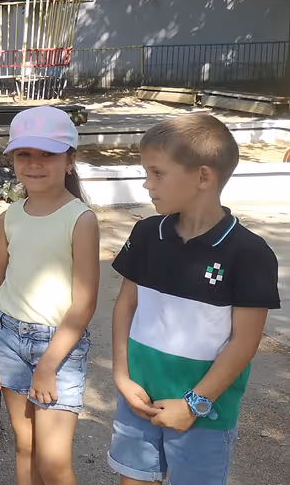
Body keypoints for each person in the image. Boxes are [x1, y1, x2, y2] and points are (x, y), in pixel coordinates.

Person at [107, 114, 280, 485]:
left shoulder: (250, 254)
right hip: (138, 398)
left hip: (204, 412)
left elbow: (244, 343)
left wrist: (194, 405)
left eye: (157, 173)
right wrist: (122, 375)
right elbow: (126, 306)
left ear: (203, 177)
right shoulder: (147, 233)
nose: (146, 184)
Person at [0, 106, 100, 485]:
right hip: (8, 338)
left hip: (57, 349)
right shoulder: (9, 216)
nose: (35, 164)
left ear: (70, 161)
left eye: (48, 154)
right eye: (25, 154)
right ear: (13, 159)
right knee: (25, 446)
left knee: (54, 461)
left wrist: (47, 365)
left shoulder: (80, 219)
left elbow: (86, 302)